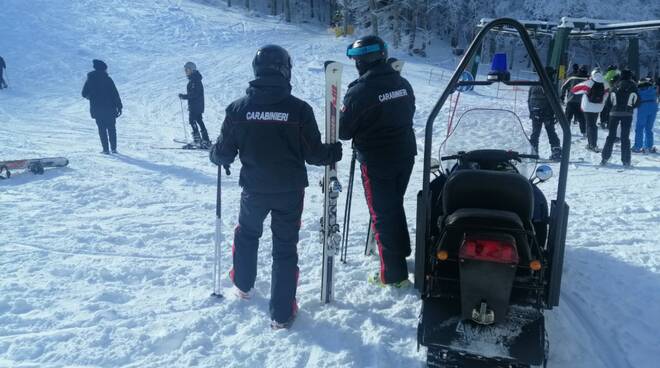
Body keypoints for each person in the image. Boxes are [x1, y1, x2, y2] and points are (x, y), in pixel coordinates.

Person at [209, 45, 342, 330]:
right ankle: (281, 315)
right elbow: (314, 154)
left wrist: (215, 153)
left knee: (247, 234)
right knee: (284, 248)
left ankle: (243, 285)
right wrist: (332, 152)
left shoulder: (238, 109)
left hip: (254, 190)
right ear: (285, 70)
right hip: (289, 192)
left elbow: (223, 153)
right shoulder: (299, 109)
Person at [339, 35, 416, 288]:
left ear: (361, 62)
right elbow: (409, 111)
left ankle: (393, 276)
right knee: (394, 206)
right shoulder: (402, 82)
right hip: (404, 155)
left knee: (382, 214)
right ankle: (401, 253)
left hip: (377, 161)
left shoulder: (359, 91)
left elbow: (343, 131)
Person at [82, 59, 122, 154]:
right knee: (112, 128)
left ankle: (105, 149)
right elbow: (115, 94)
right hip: (110, 108)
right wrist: (119, 106)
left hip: (97, 108)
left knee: (102, 129)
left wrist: (91, 97)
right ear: (103, 69)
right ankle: (114, 148)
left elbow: (84, 93)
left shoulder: (90, 79)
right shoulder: (108, 79)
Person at [601, 69, 639, 166]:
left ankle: (605, 158)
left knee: (611, 136)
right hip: (627, 114)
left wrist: (613, 108)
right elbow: (638, 101)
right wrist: (630, 107)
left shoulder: (615, 86)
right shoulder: (633, 86)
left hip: (614, 113)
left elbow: (608, 102)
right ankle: (626, 161)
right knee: (625, 137)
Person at [528, 66, 561, 161]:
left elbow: (529, 100)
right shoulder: (552, 85)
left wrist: (531, 112)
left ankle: (533, 153)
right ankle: (556, 152)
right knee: (551, 133)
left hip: (535, 113)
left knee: (535, 133)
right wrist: (557, 115)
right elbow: (556, 101)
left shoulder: (534, 85)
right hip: (548, 114)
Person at [571, 69, 609, 152]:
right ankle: (592, 143)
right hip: (598, 107)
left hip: (587, 107)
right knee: (593, 124)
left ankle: (592, 145)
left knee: (589, 125)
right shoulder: (605, 83)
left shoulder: (589, 82)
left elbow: (574, 90)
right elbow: (607, 94)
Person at [178, 62, 210, 147]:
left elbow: (195, 94)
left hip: (196, 105)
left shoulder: (195, 81)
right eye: (185, 70)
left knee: (192, 120)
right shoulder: (194, 79)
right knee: (199, 120)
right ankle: (205, 139)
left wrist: (184, 96)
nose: (186, 71)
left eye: (187, 69)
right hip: (197, 104)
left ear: (192, 70)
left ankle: (198, 140)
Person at [631, 77, 657, 153]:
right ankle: (649, 146)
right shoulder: (652, 89)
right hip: (653, 107)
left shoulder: (638, 90)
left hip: (643, 107)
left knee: (640, 127)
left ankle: (637, 146)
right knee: (649, 128)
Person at [561, 65, 588, 134]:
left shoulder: (572, 78)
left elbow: (563, 87)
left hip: (571, 100)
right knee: (582, 118)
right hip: (581, 102)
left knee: (567, 117)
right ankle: (583, 132)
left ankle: (566, 131)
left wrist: (562, 97)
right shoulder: (588, 80)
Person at [600, 65, 620, 129]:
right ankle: (609, 123)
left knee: (604, 108)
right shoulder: (618, 74)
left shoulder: (606, 75)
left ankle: (603, 121)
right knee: (611, 109)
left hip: (606, 93)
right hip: (615, 94)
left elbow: (603, 83)